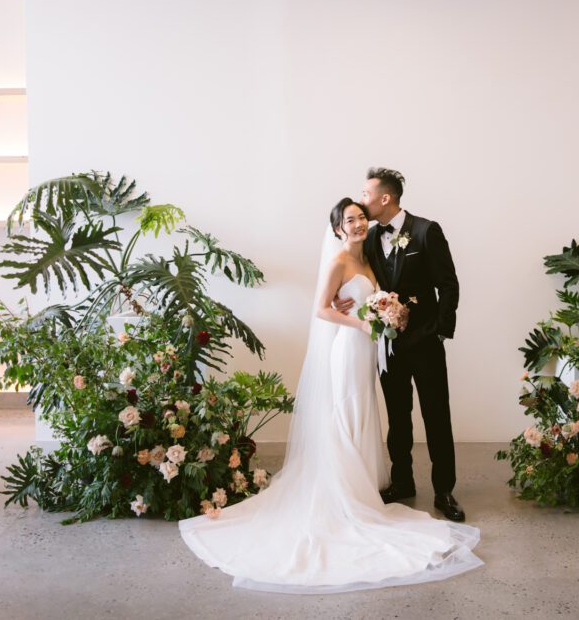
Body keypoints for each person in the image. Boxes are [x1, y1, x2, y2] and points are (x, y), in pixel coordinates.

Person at [178, 199, 481, 593]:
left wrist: (404, 318)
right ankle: (351, 491)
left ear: (384, 199)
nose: (359, 222)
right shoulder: (340, 259)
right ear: (338, 229)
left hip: (384, 348)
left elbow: (419, 285)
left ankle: (435, 488)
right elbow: (322, 309)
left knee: (397, 413)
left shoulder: (380, 247)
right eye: (350, 219)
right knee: (354, 411)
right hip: (352, 347)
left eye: (361, 215)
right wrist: (360, 320)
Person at [335, 168, 464, 522]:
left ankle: (444, 489)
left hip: (425, 342)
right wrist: (343, 300)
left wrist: (439, 331)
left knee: (436, 414)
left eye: (366, 193)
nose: (362, 199)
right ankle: (402, 481)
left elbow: (448, 285)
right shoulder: (371, 237)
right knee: (397, 416)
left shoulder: (426, 231)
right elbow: (353, 276)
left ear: (385, 198)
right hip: (387, 346)